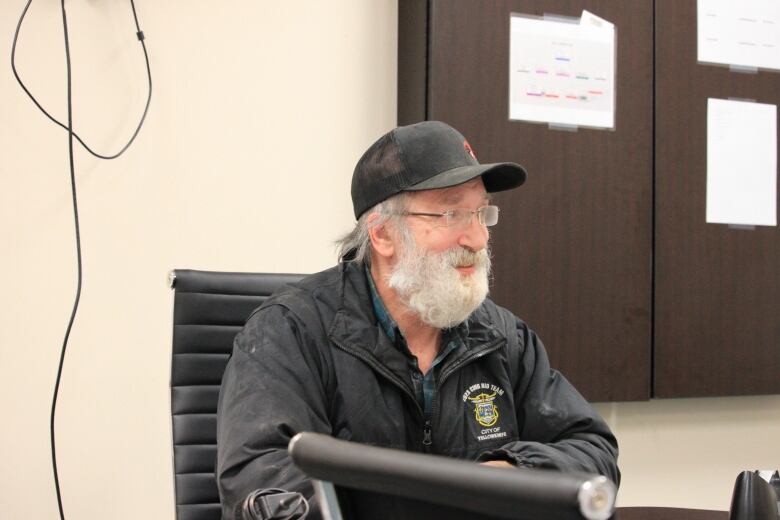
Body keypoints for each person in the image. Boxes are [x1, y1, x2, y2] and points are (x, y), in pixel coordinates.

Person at [216, 121, 620, 519]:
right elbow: (263, 487)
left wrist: (507, 473)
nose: (478, 239)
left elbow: (592, 451)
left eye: (481, 213)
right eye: (450, 215)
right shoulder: (288, 332)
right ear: (383, 235)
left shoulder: (501, 337)